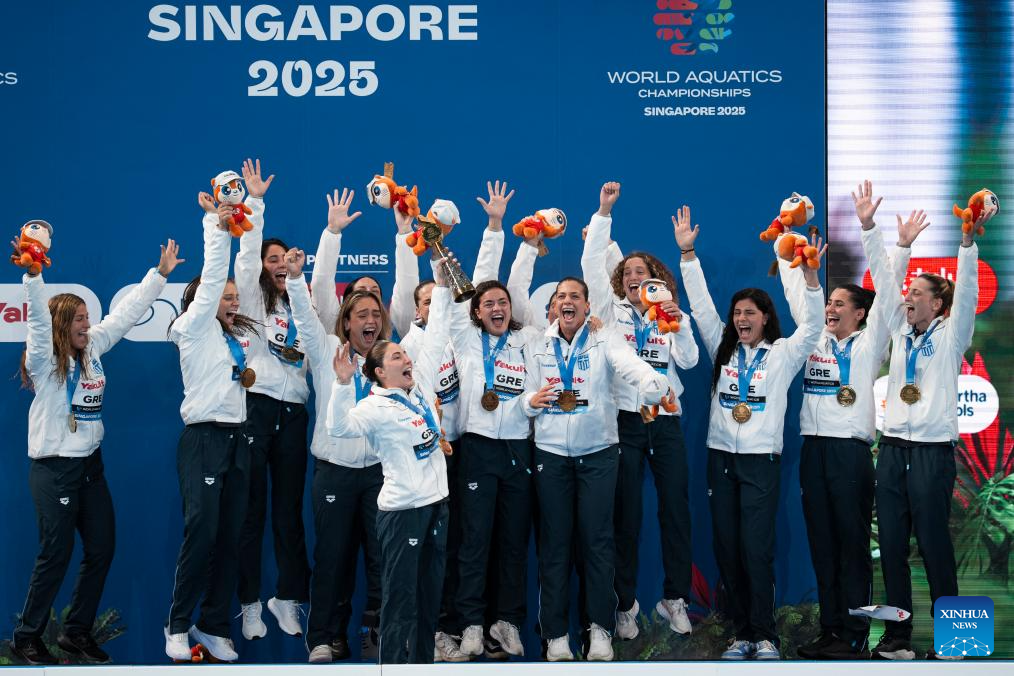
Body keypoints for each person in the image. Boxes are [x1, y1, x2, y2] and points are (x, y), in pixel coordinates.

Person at [10, 230, 181, 665]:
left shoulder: (94, 348)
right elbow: (37, 323)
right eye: (79, 319)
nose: (87, 325)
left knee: (102, 548)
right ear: (62, 325)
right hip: (54, 469)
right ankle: (26, 637)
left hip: (90, 467)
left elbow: (125, 314)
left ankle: (76, 632)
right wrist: (33, 275)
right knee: (56, 553)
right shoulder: (45, 361)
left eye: (88, 318)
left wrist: (159, 276)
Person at [677, 204, 825, 660]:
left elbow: (813, 326)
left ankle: (765, 635)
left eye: (750, 312)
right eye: (737, 312)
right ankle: (741, 634)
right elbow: (702, 308)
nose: (741, 318)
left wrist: (812, 281)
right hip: (721, 460)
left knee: (756, 549)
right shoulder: (722, 349)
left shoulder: (783, 354)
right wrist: (687, 256)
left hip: (762, 462)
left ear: (765, 317)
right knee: (727, 550)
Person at [786, 182, 923, 660]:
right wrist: (793, 251)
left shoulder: (871, 342)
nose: (830, 308)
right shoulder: (813, 338)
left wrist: (874, 231)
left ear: (860, 314)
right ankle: (831, 630)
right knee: (822, 546)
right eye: (829, 303)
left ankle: (856, 633)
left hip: (850, 451)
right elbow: (800, 295)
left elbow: (889, 290)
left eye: (839, 304)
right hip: (813, 450)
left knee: (851, 546)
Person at [523, 261, 671, 662]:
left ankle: (600, 630)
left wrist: (653, 383)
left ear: (588, 306)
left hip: (599, 454)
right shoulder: (537, 344)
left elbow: (631, 366)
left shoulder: (605, 339)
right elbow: (524, 396)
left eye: (575, 296)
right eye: (561, 296)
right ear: (553, 307)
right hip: (551, 455)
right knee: (555, 546)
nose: (567, 301)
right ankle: (556, 636)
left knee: (598, 543)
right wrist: (529, 401)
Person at [392, 183, 508, 662]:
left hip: (466, 451)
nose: (430, 305)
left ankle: (466, 626)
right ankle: (437, 630)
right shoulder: (408, 348)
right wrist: (406, 234)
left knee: (467, 544)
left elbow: (475, 285)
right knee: (435, 544)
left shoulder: (459, 334)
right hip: (427, 458)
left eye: (434, 298)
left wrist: (494, 229)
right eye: (423, 301)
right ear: (416, 308)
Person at [581, 182, 699, 639]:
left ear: (656, 279)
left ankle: (675, 598)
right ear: (619, 280)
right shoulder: (608, 311)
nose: (633, 276)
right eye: (627, 271)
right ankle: (625, 604)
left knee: (676, 511)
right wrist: (604, 212)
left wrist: (678, 323)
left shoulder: (670, 314)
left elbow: (689, 361)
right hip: (624, 422)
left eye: (642, 271)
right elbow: (592, 261)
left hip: (665, 420)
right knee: (625, 515)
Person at [871, 199, 983, 661]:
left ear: (937, 303)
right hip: (892, 449)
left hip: (933, 452)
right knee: (891, 547)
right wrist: (888, 239)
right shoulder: (899, 330)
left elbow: (968, 292)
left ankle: (955, 641)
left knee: (934, 544)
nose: (907, 296)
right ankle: (897, 639)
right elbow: (883, 283)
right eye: (908, 290)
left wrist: (967, 243)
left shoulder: (953, 334)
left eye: (916, 291)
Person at [326, 262, 453, 664]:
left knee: (430, 600)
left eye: (406, 354)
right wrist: (342, 384)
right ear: (381, 372)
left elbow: (438, 334)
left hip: (437, 505)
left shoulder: (420, 388)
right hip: (403, 513)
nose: (408, 358)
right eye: (399, 355)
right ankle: (393, 668)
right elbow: (338, 428)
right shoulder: (375, 407)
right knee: (400, 601)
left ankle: (422, 668)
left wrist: (443, 286)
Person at [282, 192, 387, 664]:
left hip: (381, 474)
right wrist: (306, 265)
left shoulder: (390, 359)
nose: (371, 320)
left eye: (376, 315)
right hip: (334, 472)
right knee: (332, 559)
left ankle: (378, 636)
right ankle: (325, 637)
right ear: (345, 322)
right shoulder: (325, 349)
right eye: (361, 315)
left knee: (382, 560)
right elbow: (305, 314)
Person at [164, 192, 261, 662]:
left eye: (235, 297)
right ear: (201, 301)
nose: (233, 301)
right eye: (226, 296)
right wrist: (216, 227)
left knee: (232, 536)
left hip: (237, 440)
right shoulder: (193, 326)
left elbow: (237, 281)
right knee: (201, 533)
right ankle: (178, 625)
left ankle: (214, 623)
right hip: (203, 439)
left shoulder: (232, 339)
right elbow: (212, 278)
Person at [448, 183, 543, 660]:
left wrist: (527, 406)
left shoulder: (528, 342)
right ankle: (470, 624)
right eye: (488, 304)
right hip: (478, 448)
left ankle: (506, 623)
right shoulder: (464, 339)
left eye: (503, 303)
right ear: (476, 312)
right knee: (474, 541)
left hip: (518, 450)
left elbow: (535, 391)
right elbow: (479, 279)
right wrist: (494, 227)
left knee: (512, 542)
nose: (498, 308)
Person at [226, 159, 312, 640]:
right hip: (256, 409)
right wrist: (254, 203)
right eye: (271, 259)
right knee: (251, 512)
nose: (279, 264)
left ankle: (288, 597)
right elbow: (243, 260)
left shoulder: (305, 305)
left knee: (288, 514)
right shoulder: (254, 302)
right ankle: (249, 603)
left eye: (285, 259)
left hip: (295, 413)